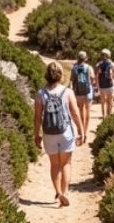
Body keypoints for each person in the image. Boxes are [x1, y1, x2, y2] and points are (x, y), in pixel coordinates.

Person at [34, 61, 85, 207]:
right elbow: (75, 113)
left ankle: (58, 192)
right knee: (66, 163)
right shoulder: (68, 92)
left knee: (54, 164)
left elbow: (37, 118)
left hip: (49, 133)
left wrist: (36, 135)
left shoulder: (40, 94)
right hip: (65, 132)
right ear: (60, 75)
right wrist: (81, 132)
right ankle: (65, 192)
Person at [69, 50, 95, 135]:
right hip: (87, 92)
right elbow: (92, 78)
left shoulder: (74, 68)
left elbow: (72, 80)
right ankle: (85, 130)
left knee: (80, 110)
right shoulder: (89, 67)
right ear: (85, 58)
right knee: (87, 110)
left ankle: (80, 130)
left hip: (78, 92)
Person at [94, 48, 114, 119]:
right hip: (110, 85)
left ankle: (103, 115)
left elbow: (96, 76)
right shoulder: (112, 64)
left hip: (102, 86)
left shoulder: (98, 64)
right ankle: (109, 114)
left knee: (103, 101)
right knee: (110, 100)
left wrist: (97, 85)